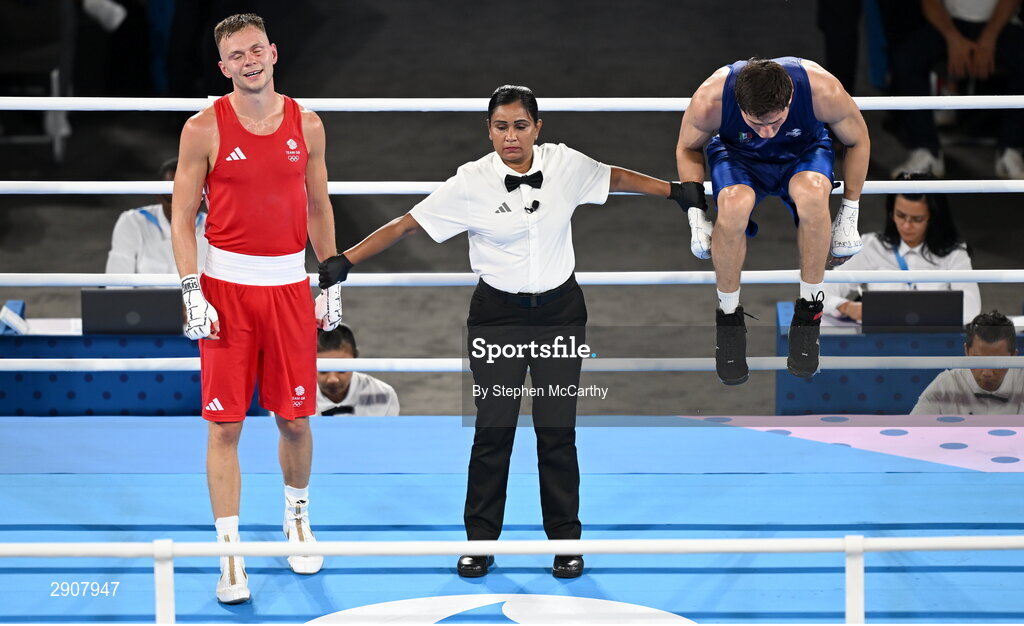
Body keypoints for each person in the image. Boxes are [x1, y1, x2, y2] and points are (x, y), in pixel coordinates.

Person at [318, 84, 692, 580]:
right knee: (493, 431)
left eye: (520, 125)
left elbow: (616, 177)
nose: (510, 137)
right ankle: (478, 542)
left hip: (561, 315)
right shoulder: (470, 182)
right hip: (497, 319)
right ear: (488, 130)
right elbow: (408, 225)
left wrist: (676, 192)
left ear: (538, 128)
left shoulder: (565, 164)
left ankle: (566, 543)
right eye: (500, 126)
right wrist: (346, 260)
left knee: (556, 431)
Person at [169, 13, 343, 605]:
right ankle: (230, 555)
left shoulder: (309, 125)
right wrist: (191, 289)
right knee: (226, 425)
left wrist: (332, 278)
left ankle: (297, 518)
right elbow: (182, 218)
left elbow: (318, 205)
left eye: (254, 50)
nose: (248, 61)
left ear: (273, 52)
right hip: (225, 290)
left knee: (295, 418)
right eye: (235, 56)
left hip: (289, 288)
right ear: (223, 68)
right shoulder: (202, 129)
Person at [675, 57, 871, 385]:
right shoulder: (711, 99)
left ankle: (809, 317)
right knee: (734, 205)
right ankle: (728, 321)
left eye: (776, 121)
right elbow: (686, 148)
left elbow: (858, 140)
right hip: (739, 156)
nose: (766, 132)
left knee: (812, 194)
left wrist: (848, 214)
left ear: (790, 100)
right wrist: (697, 214)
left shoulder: (822, 90)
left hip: (803, 153)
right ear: (739, 105)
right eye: (756, 123)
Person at [890, 0, 1024, 178]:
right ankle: (925, 151)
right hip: (949, 23)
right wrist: (953, 38)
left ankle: (1011, 150)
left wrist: (989, 38)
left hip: (1001, 24)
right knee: (906, 60)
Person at [823, 173, 980, 324]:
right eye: (900, 215)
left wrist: (906, 310)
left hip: (934, 343)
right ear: (891, 213)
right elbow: (822, 292)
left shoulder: (954, 253)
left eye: (917, 219)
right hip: (879, 344)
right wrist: (848, 307)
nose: (906, 225)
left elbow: (971, 308)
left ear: (934, 217)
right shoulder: (870, 246)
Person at [106, 158, 208, 274]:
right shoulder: (132, 222)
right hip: (143, 293)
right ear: (158, 195)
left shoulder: (215, 229)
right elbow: (116, 285)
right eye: (172, 196)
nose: (181, 206)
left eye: (190, 196)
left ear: (203, 198)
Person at [911, 310, 1023, 414]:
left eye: (998, 362)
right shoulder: (944, 387)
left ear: (1013, 356)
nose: (987, 373)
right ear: (967, 351)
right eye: (978, 360)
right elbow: (913, 431)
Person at [316, 324, 400, 417]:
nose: (333, 379)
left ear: (354, 358)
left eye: (341, 369)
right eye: (323, 370)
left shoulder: (383, 394)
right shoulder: (298, 395)